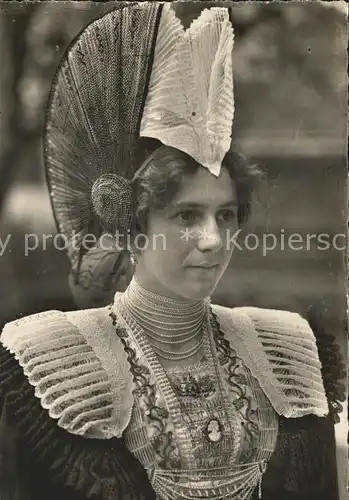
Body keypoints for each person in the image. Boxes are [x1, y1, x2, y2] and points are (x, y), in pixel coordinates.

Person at [0, 3, 340, 500]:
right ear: (134, 227)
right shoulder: (41, 365)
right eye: (186, 216)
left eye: (226, 215)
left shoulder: (289, 352)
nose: (213, 239)